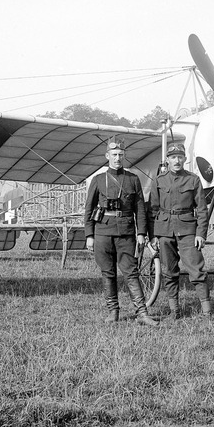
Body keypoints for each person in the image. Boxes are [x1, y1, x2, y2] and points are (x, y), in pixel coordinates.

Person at [84, 137, 159, 326]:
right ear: (107, 156)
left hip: (126, 233)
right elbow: (88, 208)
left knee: (131, 273)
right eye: (114, 155)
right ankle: (113, 312)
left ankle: (142, 313)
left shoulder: (133, 179)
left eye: (121, 155)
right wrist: (89, 235)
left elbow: (140, 208)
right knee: (107, 273)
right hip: (102, 233)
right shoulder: (98, 180)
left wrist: (141, 233)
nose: (118, 158)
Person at [150, 142, 211, 319]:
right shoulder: (159, 180)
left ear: (185, 159)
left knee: (197, 270)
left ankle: (207, 312)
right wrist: (153, 235)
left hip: (187, 230)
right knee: (169, 271)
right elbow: (152, 209)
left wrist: (200, 234)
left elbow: (201, 209)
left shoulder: (193, 180)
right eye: (173, 157)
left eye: (180, 157)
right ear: (167, 160)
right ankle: (174, 311)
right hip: (164, 230)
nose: (176, 161)